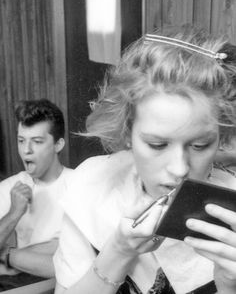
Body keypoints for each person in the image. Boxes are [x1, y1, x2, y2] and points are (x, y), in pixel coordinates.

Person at [53, 26, 236, 294]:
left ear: (221, 137)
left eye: (200, 145)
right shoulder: (89, 189)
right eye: (157, 144)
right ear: (127, 132)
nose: (179, 168)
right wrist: (117, 252)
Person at [0, 99, 73, 290]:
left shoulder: (78, 185)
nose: (26, 150)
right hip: (18, 283)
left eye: (37, 142)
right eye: (21, 140)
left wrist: (8, 255)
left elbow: (73, 264)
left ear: (58, 144)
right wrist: (14, 214)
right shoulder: (11, 187)